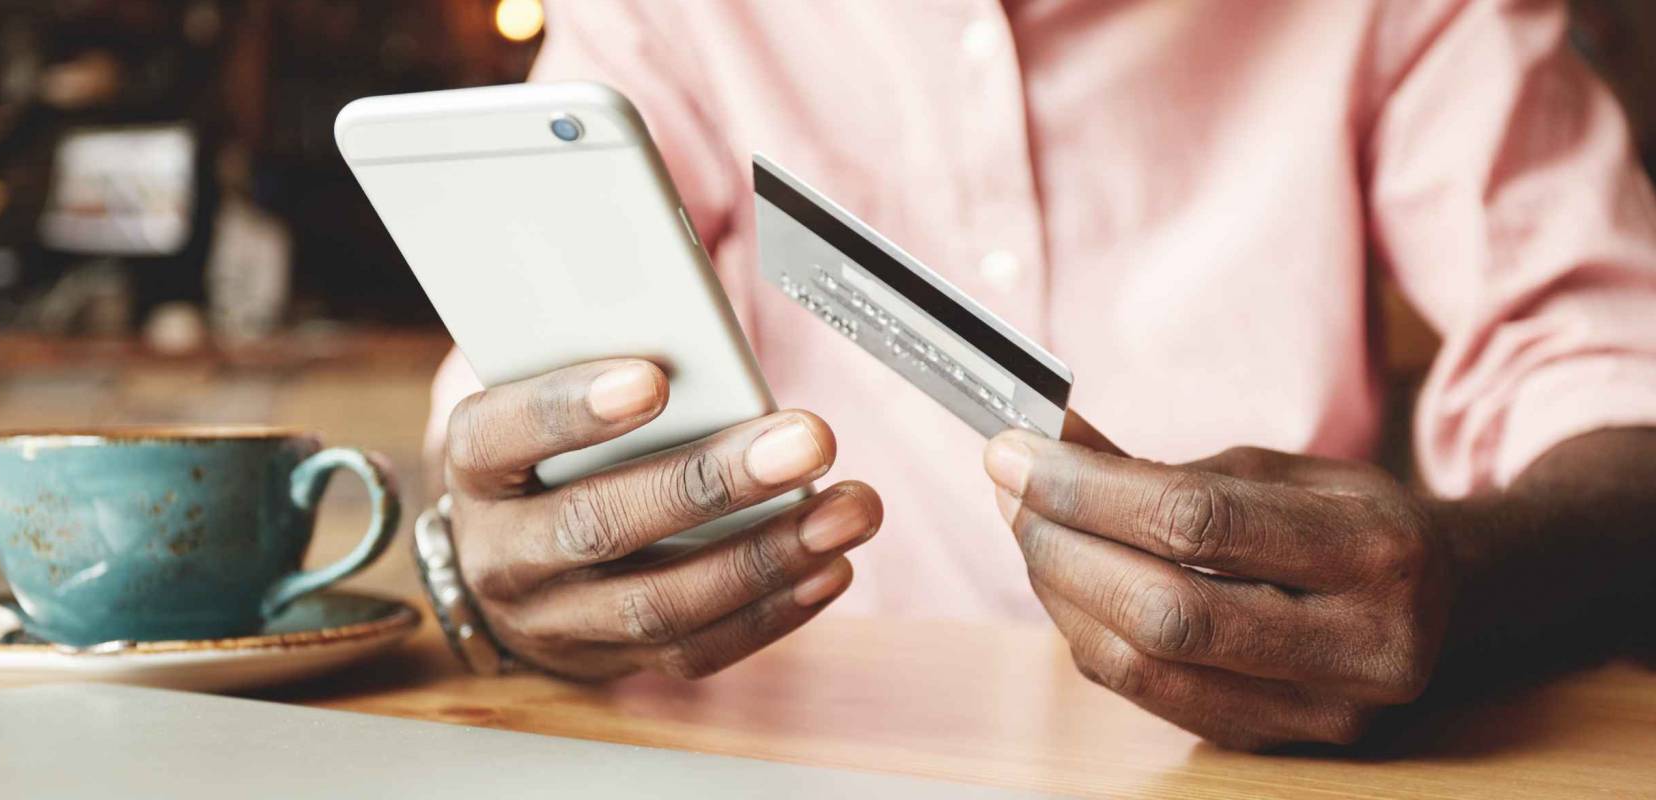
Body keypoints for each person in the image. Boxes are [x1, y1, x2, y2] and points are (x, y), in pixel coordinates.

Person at [423, 0, 1656, 750]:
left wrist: (1473, 583)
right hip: (790, 748)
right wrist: (510, 560)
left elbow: (1614, 372)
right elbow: (528, 410)